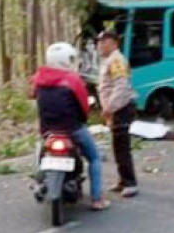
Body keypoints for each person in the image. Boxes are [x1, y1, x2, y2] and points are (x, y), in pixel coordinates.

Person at [31, 42, 109, 211]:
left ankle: (40, 178)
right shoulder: (73, 80)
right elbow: (84, 107)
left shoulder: (38, 79)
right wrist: (83, 119)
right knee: (94, 158)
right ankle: (97, 199)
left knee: (39, 150)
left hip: (48, 131)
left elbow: (35, 99)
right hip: (73, 129)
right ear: (66, 60)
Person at [97, 31, 139, 198]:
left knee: (122, 148)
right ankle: (123, 180)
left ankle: (130, 183)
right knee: (117, 147)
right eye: (99, 43)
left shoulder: (116, 60)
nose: (101, 46)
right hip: (116, 109)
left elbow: (121, 87)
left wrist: (110, 108)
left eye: (104, 42)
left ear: (114, 43)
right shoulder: (109, 61)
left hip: (120, 108)